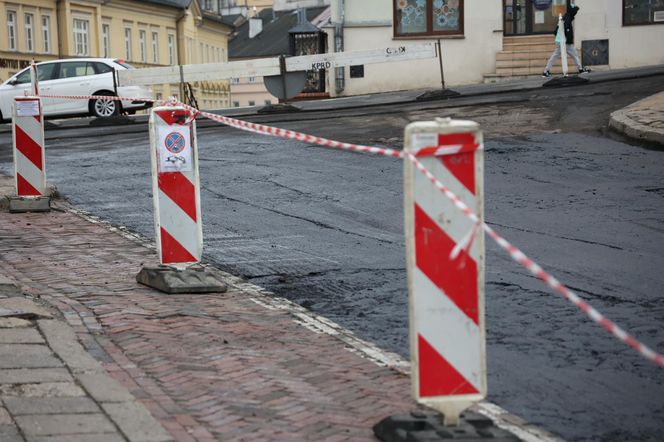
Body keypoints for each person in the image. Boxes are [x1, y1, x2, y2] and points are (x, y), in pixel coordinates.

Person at [542, 2, 590, 77]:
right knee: (574, 55)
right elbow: (567, 30)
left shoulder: (563, 17)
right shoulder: (567, 17)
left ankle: (545, 72)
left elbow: (556, 30)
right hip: (564, 41)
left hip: (559, 40)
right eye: (575, 12)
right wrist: (569, 40)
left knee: (554, 56)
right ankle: (580, 69)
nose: (575, 13)